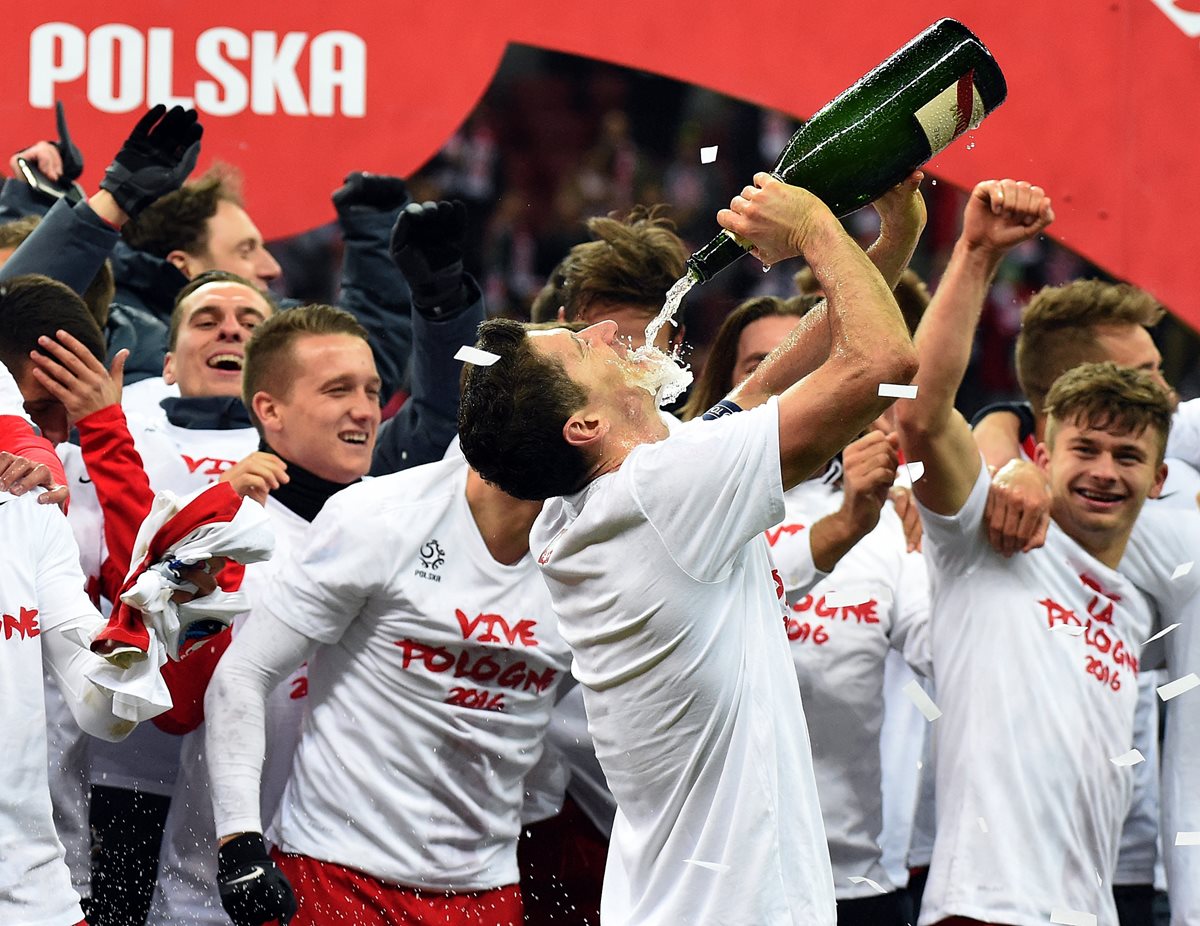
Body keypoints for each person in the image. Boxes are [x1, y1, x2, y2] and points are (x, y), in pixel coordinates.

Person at [458, 173, 919, 925]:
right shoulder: (660, 491)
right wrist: (811, 229)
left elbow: (772, 381)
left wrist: (890, 240)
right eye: (582, 345)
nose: (608, 333)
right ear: (583, 426)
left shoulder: (597, 503)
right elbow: (883, 365)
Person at [202, 324, 573, 925]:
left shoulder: (599, 552)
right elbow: (242, 675)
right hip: (335, 879)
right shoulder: (377, 518)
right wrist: (239, 842)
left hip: (487, 892)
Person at [891, 178, 1173, 926]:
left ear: (1162, 477)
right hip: (983, 910)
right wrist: (977, 254)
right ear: (1039, 450)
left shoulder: (1141, 601)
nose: (1106, 472)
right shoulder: (993, 542)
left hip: (1091, 910)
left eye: (1126, 455)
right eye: (1084, 449)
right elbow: (919, 421)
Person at [972, 280, 1197, 923]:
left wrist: (1002, 422)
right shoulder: (977, 511)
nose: (1169, 396)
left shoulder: (1170, 472)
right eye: (1146, 376)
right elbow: (924, 412)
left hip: (1129, 852)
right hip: (976, 857)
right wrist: (1001, 449)